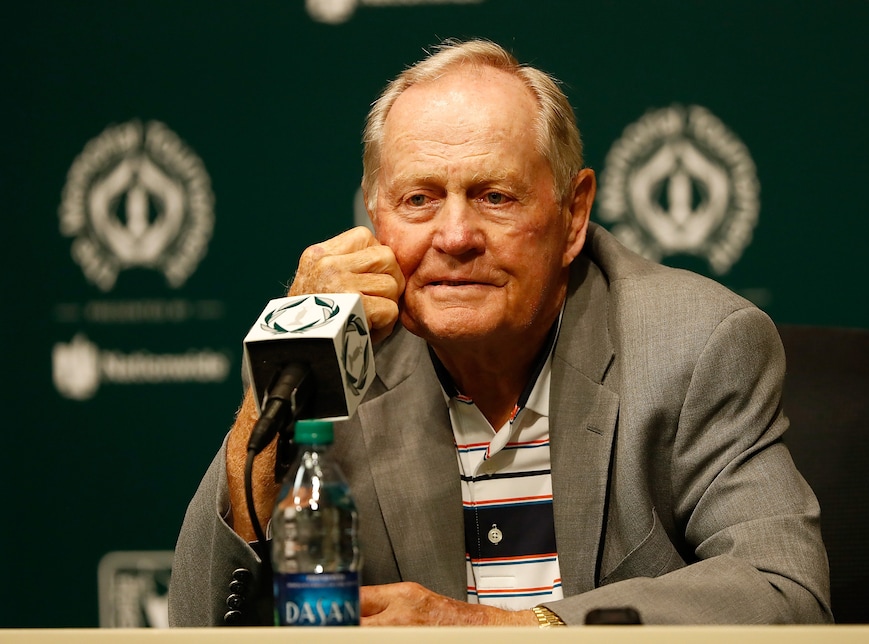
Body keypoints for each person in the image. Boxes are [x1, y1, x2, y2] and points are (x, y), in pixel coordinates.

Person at [169, 38, 832, 627]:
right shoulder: (341, 357)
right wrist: (292, 351)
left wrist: (508, 630)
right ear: (376, 216)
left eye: (495, 196)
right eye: (419, 200)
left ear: (572, 216)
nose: (455, 238)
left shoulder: (694, 345)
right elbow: (203, 621)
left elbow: (785, 593)